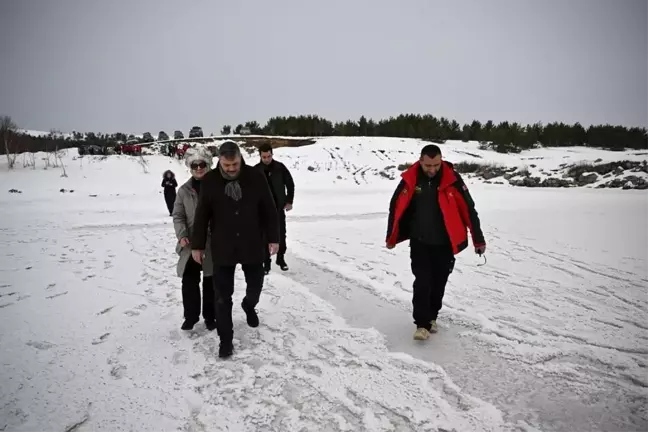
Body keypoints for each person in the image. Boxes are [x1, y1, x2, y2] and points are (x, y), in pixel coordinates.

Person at [385, 144, 486, 341]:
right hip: (420, 241)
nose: (432, 169)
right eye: (428, 165)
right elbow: (395, 206)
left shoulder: (453, 180)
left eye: (436, 165)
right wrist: (391, 237)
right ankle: (421, 324)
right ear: (420, 161)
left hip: (445, 243)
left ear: (441, 161)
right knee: (422, 282)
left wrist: (478, 239)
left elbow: (469, 209)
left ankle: (432, 317)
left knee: (439, 282)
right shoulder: (410, 179)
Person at [191, 141, 279, 359]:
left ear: (241, 158)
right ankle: (226, 340)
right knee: (222, 297)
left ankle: (249, 306)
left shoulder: (255, 177)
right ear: (220, 160)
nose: (231, 168)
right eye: (227, 165)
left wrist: (274, 238)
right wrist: (198, 245)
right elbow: (202, 215)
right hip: (223, 246)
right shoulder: (210, 181)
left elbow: (269, 208)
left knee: (256, 285)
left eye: (235, 164)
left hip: (252, 243)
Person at [172, 148, 216, 331]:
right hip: (190, 244)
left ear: (208, 165)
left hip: (212, 244)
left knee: (211, 282)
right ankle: (191, 316)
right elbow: (178, 215)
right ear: (190, 167)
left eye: (202, 164)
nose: (199, 168)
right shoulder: (183, 191)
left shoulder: (217, 187)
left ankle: (211, 317)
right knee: (189, 281)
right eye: (195, 165)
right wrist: (182, 235)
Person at [255, 143, 295, 273]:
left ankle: (281, 258)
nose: (267, 159)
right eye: (264, 157)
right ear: (260, 156)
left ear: (272, 154)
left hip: (278, 208)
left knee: (281, 235)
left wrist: (289, 201)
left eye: (269, 156)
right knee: (264, 237)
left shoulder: (280, 168)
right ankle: (266, 263)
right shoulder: (256, 170)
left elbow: (290, 184)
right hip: (262, 211)